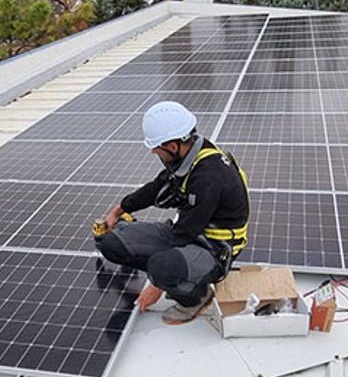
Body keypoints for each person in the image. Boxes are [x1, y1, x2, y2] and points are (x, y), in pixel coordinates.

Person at [95, 101, 250, 325]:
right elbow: (157, 187)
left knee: (161, 269)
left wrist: (156, 285)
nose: (153, 151)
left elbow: (184, 234)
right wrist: (119, 210)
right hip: (188, 230)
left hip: (214, 249)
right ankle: (173, 271)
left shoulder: (209, 177)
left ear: (173, 145)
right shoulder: (188, 157)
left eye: (157, 147)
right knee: (111, 243)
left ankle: (197, 296)